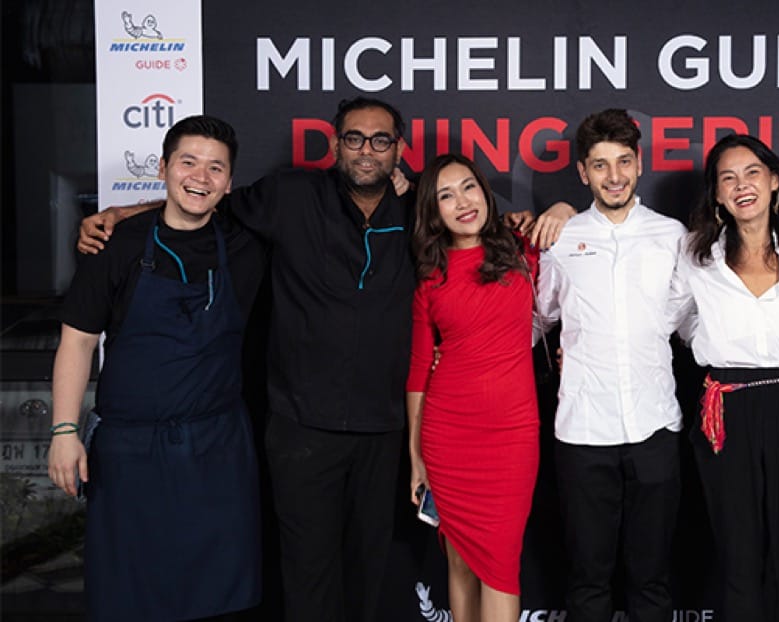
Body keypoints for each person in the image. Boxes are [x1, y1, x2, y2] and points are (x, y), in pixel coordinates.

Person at [77, 97, 572, 621]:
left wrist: (556, 211)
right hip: (300, 428)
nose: (367, 150)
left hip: (383, 431)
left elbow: (486, 227)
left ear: (398, 151)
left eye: (381, 140)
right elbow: (202, 203)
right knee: (308, 576)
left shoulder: (418, 212)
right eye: (355, 138)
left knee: (373, 575)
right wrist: (123, 216)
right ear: (335, 145)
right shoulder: (290, 194)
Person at [48, 115, 266, 621]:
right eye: (188, 162)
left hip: (217, 452)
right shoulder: (116, 245)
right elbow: (77, 342)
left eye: (216, 168)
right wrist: (63, 430)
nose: (201, 176)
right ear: (164, 167)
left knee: (218, 599)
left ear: (229, 183)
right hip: (130, 456)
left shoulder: (246, 244)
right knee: (129, 599)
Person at [536, 108, 691, 622]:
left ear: (639, 162)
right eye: (600, 165)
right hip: (582, 432)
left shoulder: (673, 236)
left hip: (655, 427)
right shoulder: (561, 238)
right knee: (587, 581)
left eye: (623, 161)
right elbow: (537, 320)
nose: (615, 176)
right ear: (583, 172)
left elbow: (689, 320)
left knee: (652, 580)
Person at [677, 133, 779, 621]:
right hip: (726, 408)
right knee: (738, 558)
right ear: (717, 195)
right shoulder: (694, 256)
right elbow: (682, 322)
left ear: (774, 181)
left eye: (751, 173)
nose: (741, 185)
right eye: (728, 178)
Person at [406, 153, 540, 622]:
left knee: (501, 565)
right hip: (448, 435)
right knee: (459, 559)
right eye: (446, 195)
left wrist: (561, 209)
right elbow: (420, 368)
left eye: (469, 187)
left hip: (512, 435)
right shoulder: (431, 278)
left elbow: (569, 236)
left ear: (485, 193)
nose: (462, 202)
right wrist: (416, 455)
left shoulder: (522, 247)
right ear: (433, 210)